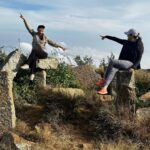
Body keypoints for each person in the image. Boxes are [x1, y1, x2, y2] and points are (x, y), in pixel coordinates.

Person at [20, 14, 66, 85]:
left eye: (42, 29)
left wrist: (61, 47)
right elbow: (28, 27)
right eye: (40, 28)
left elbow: (52, 43)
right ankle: (31, 80)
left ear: (43, 30)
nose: (41, 30)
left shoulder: (45, 38)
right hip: (36, 53)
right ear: (38, 29)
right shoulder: (34, 34)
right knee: (34, 61)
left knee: (34, 51)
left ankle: (27, 64)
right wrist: (24, 19)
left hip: (43, 54)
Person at [96, 29, 144, 95]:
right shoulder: (127, 42)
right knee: (113, 69)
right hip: (123, 63)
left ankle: (103, 80)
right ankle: (105, 88)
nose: (127, 37)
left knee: (113, 61)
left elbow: (139, 58)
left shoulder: (139, 45)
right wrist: (106, 36)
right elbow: (116, 39)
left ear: (132, 35)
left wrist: (133, 68)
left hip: (130, 64)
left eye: (128, 35)